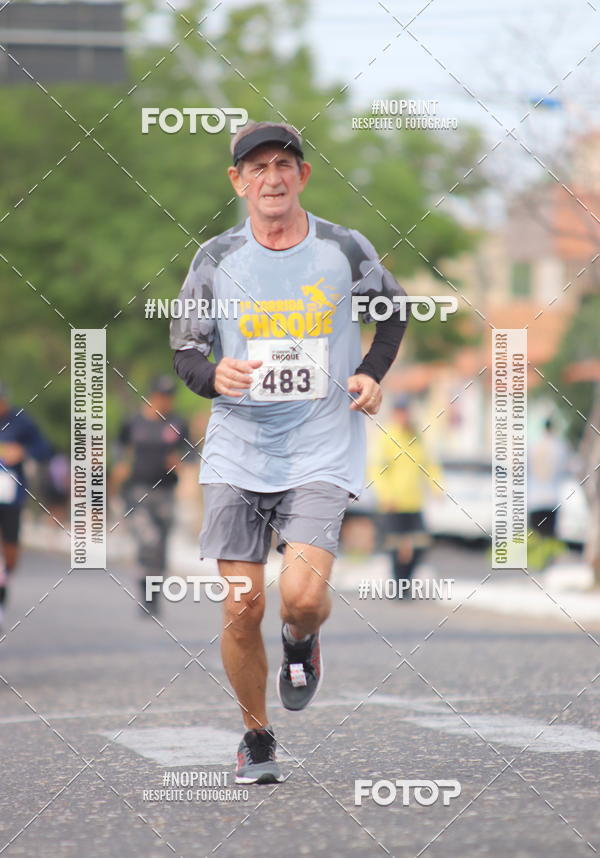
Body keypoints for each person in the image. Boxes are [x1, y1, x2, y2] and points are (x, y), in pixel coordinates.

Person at [170, 121, 410, 784]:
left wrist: (370, 372)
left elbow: (392, 311)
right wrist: (211, 374)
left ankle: (300, 642)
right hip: (238, 452)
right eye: (257, 167)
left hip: (319, 445)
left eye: (284, 164)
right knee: (241, 604)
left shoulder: (342, 247)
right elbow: (187, 349)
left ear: (302, 175)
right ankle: (256, 737)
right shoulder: (215, 258)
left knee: (301, 597)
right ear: (238, 181)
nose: (271, 177)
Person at [112, 375, 190, 614]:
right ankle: (144, 590)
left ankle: (154, 593)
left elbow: (190, 451)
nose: (165, 401)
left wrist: (181, 461)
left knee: (161, 544)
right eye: (161, 396)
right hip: (139, 490)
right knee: (149, 540)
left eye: (169, 397)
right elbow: (118, 446)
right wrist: (120, 464)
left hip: (166, 491)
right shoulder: (134, 422)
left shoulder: (177, 423)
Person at [370, 395, 442, 599]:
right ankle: (399, 586)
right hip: (393, 502)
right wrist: (386, 495)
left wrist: (437, 488)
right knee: (395, 546)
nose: (403, 416)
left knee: (420, 545)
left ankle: (407, 582)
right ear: (394, 414)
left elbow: (429, 465)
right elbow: (378, 470)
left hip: (414, 500)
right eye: (399, 412)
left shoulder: (417, 437)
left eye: (406, 412)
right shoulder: (387, 437)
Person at [0, 381, 53, 631]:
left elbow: (45, 449)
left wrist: (22, 451)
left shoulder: (21, 421)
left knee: (11, 551)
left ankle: (4, 582)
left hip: (11, 495)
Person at [528, 418, 569, 537]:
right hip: (552, 498)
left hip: (534, 498)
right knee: (549, 537)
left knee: (535, 537)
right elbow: (565, 469)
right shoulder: (560, 446)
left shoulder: (533, 446)